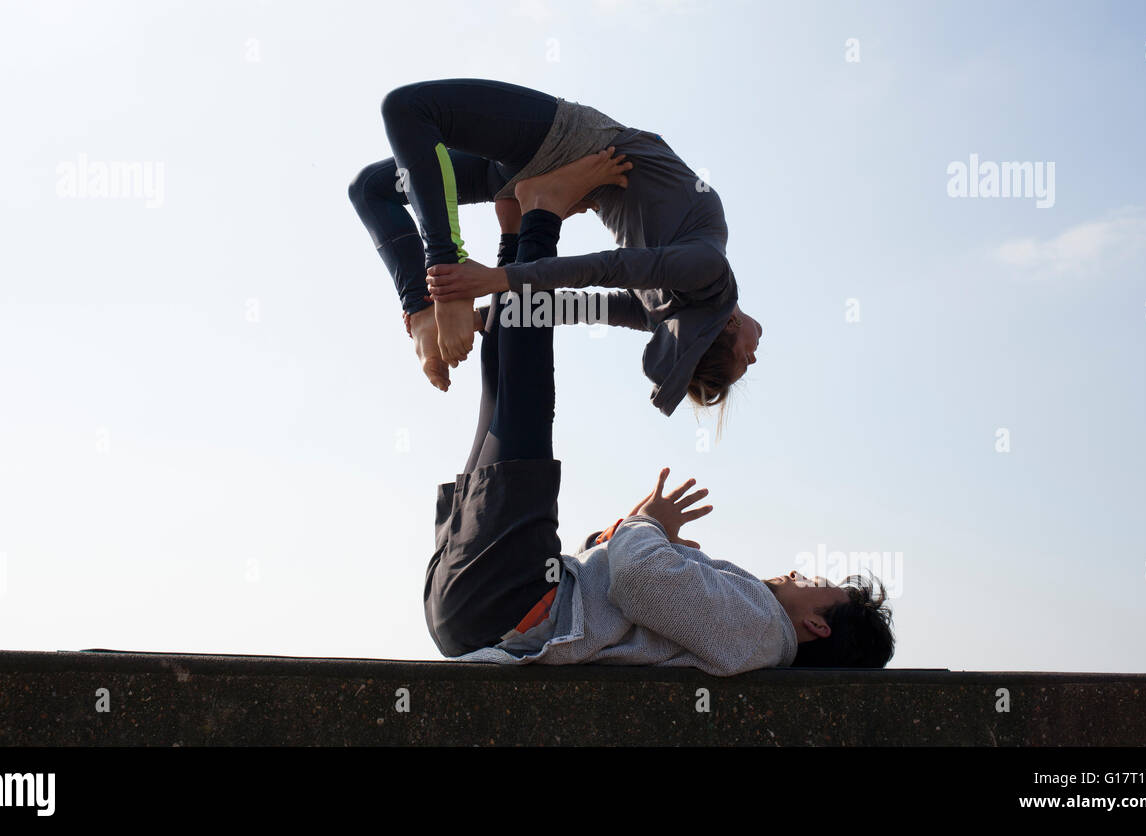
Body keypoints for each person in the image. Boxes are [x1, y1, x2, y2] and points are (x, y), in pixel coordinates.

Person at [424, 186, 895, 675]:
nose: (801, 573)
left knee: (521, 397)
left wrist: (648, 524)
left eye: (818, 581)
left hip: (513, 601)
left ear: (819, 625)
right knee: (506, 400)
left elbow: (638, 579)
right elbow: (615, 585)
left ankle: (539, 214)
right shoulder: (749, 629)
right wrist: (620, 532)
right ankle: (518, 230)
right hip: (483, 608)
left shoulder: (761, 626)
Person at [348, 78, 763, 417]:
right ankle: (424, 308)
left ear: (723, 330)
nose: (755, 360)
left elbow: (591, 286)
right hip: (550, 167)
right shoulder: (697, 274)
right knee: (369, 188)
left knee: (407, 110)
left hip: (572, 143)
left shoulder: (706, 274)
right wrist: (487, 295)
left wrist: (482, 304)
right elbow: (593, 286)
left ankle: (437, 279)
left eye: (744, 361)